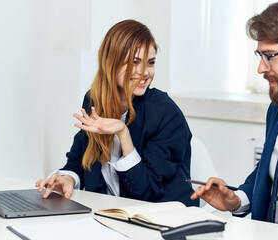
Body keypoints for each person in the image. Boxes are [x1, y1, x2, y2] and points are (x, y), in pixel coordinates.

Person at [191, 0, 278, 232]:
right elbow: (271, 172)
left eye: (270, 55)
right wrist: (237, 200)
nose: (261, 68)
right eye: (260, 55)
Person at [36, 19, 199, 207]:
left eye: (150, 63)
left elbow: (146, 191)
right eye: (134, 62)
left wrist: (123, 133)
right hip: (110, 214)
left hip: (164, 220)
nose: (144, 72)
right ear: (111, 62)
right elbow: (80, 158)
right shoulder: (94, 100)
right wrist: (68, 179)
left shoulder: (165, 112)